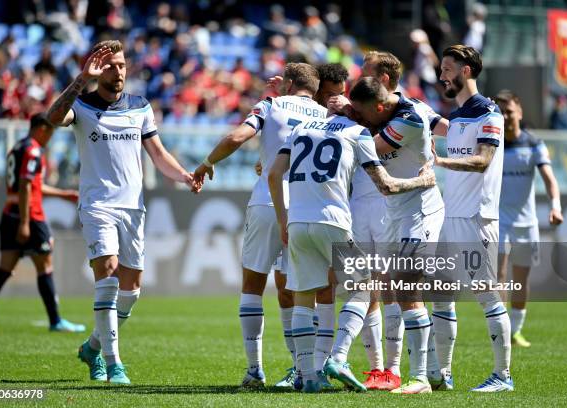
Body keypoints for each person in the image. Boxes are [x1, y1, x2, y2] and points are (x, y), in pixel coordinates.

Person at [46, 40, 196, 385]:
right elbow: (53, 118)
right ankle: (113, 364)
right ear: (98, 69)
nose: (118, 71)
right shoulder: (81, 104)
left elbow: (158, 155)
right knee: (109, 273)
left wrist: (185, 176)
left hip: (133, 207)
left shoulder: (140, 106)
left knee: (132, 289)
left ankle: (93, 346)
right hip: (98, 205)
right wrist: (81, 80)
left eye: (122, 65)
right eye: (111, 65)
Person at [268, 96, 436, 393]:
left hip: (296, 221)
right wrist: (422, 182)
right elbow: (385, 185)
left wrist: (283, 218)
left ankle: (308, 377)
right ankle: (339, 358)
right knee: (364, 286)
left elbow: (272, 172)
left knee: (305, 297)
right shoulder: (357, 132)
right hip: (333, 220)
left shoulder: (300, 128)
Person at [193, 63, 327, 388]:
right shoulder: (326, 115)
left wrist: (207, 162)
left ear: (290, 82)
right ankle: (301, 370)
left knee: (253, 285)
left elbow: (236, 136)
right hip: (307, 209)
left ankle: (255, 371)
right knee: (295, 290)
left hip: (269, 202)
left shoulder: (271, 104)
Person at [332, 51, 450, 391]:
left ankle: (420, 377)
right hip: (396, 211)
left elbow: (372, 148)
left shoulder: (410, 118)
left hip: (422, 209)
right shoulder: (384, 110)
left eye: (364, 112)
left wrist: (347, 117)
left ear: (380, 106)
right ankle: (428, 374)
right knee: (398, 289)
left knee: (406, 283)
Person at [433, 44, 513, 392]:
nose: (441, 76)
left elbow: (482, 161)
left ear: (466, 71)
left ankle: (503, 376)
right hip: (451, 217)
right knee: (441, 294)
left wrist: (440, 162)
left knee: (486, 294)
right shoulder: (458, 116)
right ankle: (443, 373)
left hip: (477, 218)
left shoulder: (489, 113)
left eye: (447, 69)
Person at [0, 113, 84, 333]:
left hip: (9, 213)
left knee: (5, 267)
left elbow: (32, 185)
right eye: (50, 131)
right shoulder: (33, 150)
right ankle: (55, 321)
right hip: (30, 216)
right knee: (45, 265)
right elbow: (25, 186)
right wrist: (25, 222)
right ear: (42, 128)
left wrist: (63, 194)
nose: (50, 137)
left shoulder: (18, 148)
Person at [495, 89, 563, 348]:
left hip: (526, 223)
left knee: (521, 279)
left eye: (509, 111)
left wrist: (555, 206)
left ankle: (515, 330)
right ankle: (500, 331)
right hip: (498, 221)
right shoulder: (492, 145)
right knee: (499, 277)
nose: (505, 116)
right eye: (500, 112)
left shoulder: (533, 143)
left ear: (519, 112)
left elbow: (549, 178)